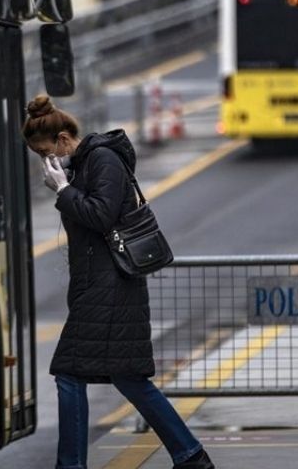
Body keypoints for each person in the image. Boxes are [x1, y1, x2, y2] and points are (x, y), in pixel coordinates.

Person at [23, 95, 215, 469]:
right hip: (101, 286)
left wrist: (63, 191)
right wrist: (67, 188)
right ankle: (190, 456)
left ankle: (72, 465)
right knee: (127, 376)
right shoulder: (82, 166)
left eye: (46, 153)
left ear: (64, 139)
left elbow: (101, 215)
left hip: (111, 286)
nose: (47, 164)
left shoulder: (103, 160)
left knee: (68, 371)